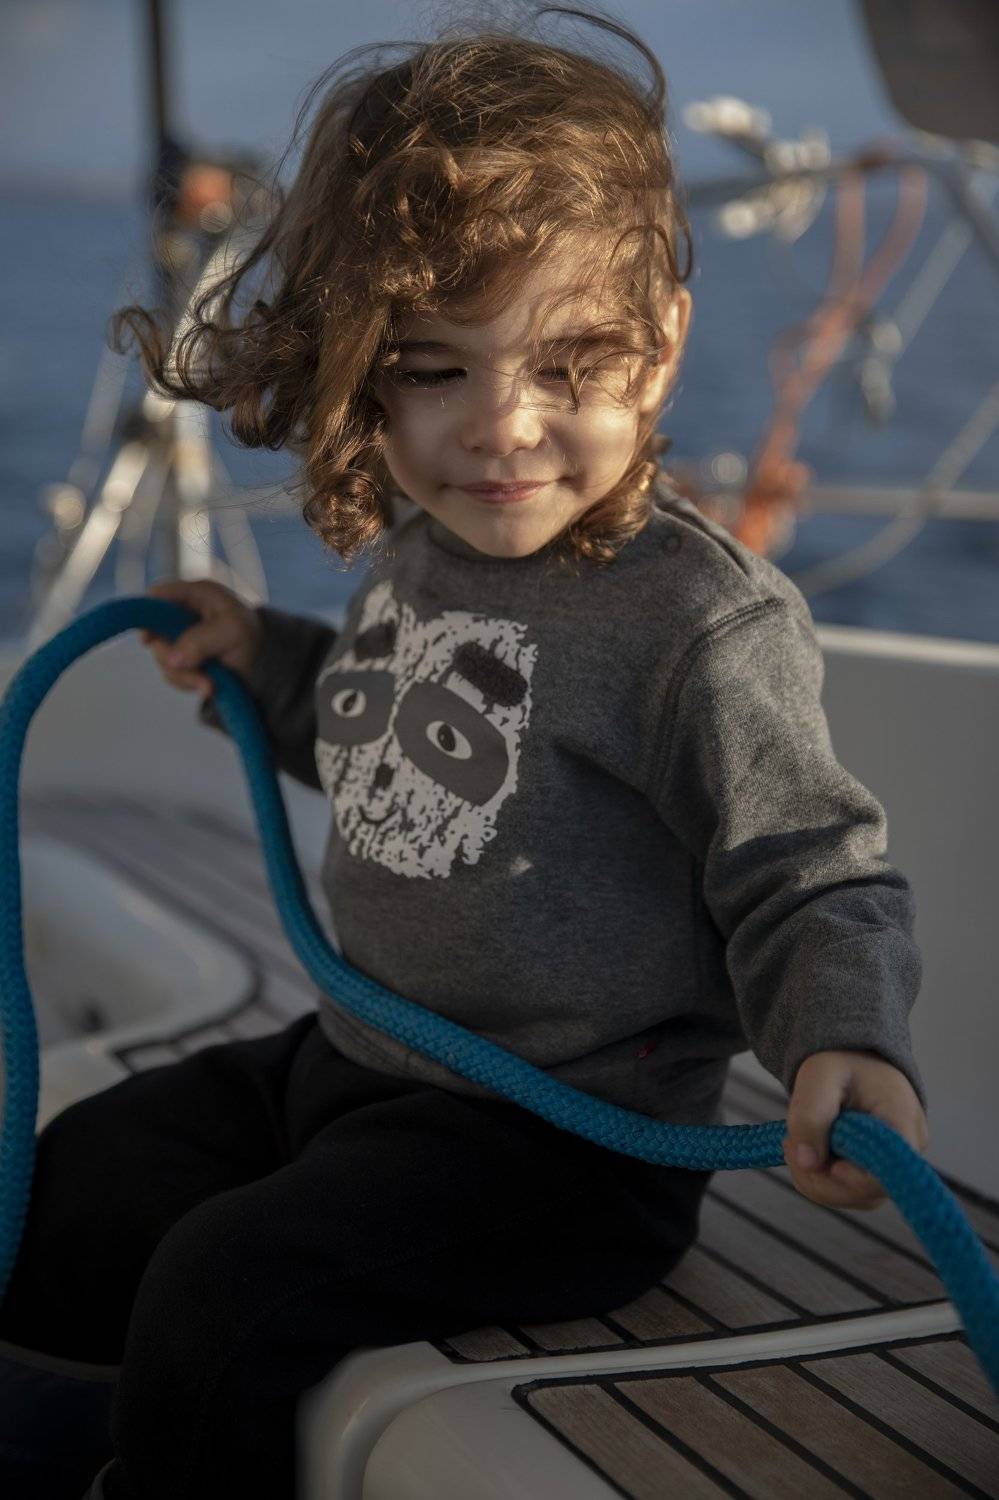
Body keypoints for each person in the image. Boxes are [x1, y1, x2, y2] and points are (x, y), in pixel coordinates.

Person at [0, 7, 930, 1497]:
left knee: (226, 1285)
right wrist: (261, 659)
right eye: (435, 370)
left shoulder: (696, 623)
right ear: (362, 369)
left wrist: (847, 1037)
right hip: (356, 1064)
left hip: (564, 1154)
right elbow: (388, 734)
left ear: (661, 347)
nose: (502, 430)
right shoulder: (428, 548)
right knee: (70, 1184)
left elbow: (810, 872)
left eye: (568, 365)